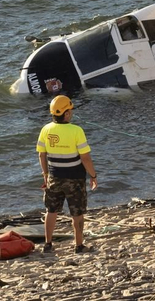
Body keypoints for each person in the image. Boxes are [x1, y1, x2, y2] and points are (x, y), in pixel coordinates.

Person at [35, 95, 98, 255]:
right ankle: (79, 246)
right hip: (75, 179)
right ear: (67, 114)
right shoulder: (77, 130)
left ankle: (48, 244)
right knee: (77, 213)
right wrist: (93, 175)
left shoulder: (46, 129)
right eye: (70, 110)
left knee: (51, 210)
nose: (71, 113)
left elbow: (42, 155)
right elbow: (85, 157)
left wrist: (45, 174)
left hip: (54, 177)